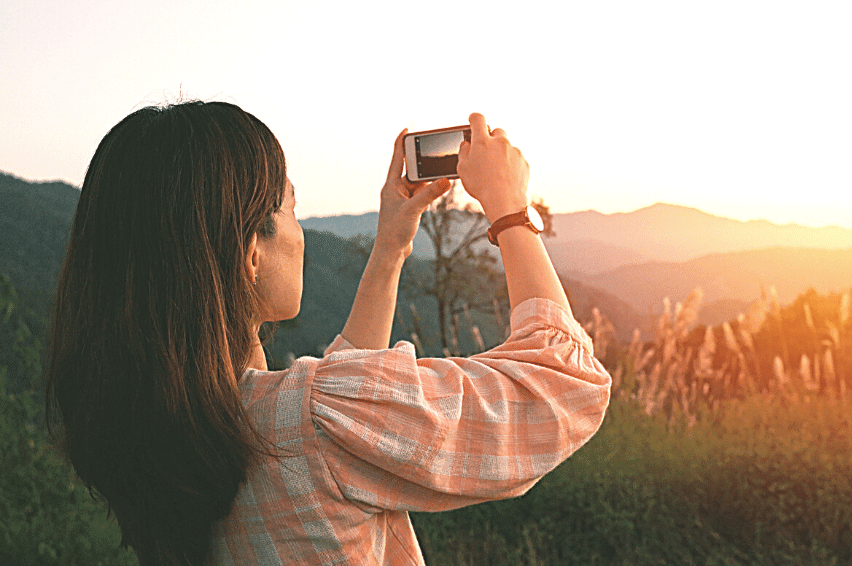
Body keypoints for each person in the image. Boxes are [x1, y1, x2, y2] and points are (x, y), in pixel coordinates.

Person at [46, 101, 611, 565]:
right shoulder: (311, 425)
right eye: (292, 208)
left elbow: (341, 404)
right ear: (250, 255)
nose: (303, 232)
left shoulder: (159, 429)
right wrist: (511, 210)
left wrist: (391, 243)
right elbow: (566, 385)